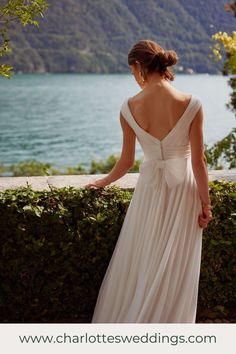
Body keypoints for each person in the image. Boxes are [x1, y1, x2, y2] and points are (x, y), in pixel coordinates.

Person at [86, 39, 213, 323]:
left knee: (143, 259)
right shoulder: (192, 104)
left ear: (138, 66)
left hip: (149, 191)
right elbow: (198, 162)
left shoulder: (128, 108)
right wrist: (206, 204)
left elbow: (126, 163)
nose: (134, 78)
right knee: (176, 267)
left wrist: (101, 183)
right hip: (184, 192)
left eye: (132, 72)